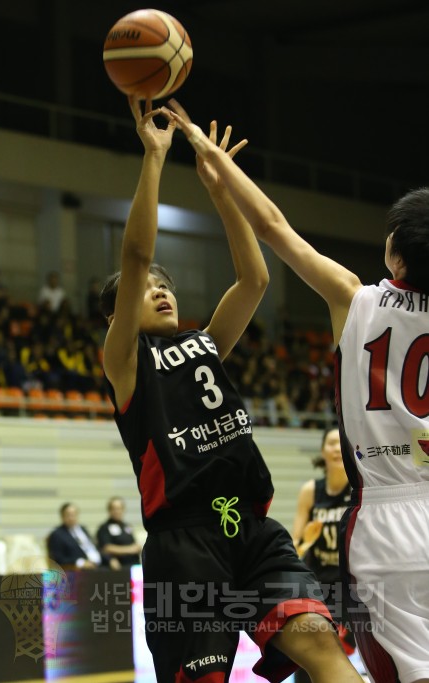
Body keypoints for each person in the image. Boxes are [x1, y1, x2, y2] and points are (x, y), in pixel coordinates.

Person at [100, 95, 362, 683]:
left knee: (322, 646)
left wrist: (219, 186)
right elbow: (137, 254)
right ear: (117, 313)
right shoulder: (125, 361)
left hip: (252, 528)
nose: (159, 289)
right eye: (146, 289)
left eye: (165, 285)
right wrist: (155, 157)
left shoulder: (207, 342)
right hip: (183, 545)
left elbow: (255, 277)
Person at [165, 100, 429, 683]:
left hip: (387, 525)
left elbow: (273, 229)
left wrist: (215, 163)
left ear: (394, 250)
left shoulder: (355, 298)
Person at [292, 427, 356, 683]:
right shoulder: (310, 491)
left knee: (341, 655)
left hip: (352, 587)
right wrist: (306, 539)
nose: (335, 448)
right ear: (322, 451)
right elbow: (295, 547)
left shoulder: (358, 488)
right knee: (307, 655)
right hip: (316, 588)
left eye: (340, 443)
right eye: (330, 443)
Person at [47, 502, 120, 571]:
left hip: (99, 565)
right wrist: (80, 563)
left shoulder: (83, 529)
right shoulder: (57, 535)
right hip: (78, 570)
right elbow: (58, 559)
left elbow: (95, 548)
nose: (71, 518)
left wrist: (109, 559)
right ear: (62, 516)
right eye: (68, 515)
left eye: (74, 514)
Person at [96, 496, 141, 567]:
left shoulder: (127, 526)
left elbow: (134, 544)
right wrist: (130, 550)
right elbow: (106, 548)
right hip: (119, 566)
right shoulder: (104, 528)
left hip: (134, 564)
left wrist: (137, 548)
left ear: (123, 509)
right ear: (109, 510)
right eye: (114, 509)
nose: (117, 511)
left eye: (119, 508)